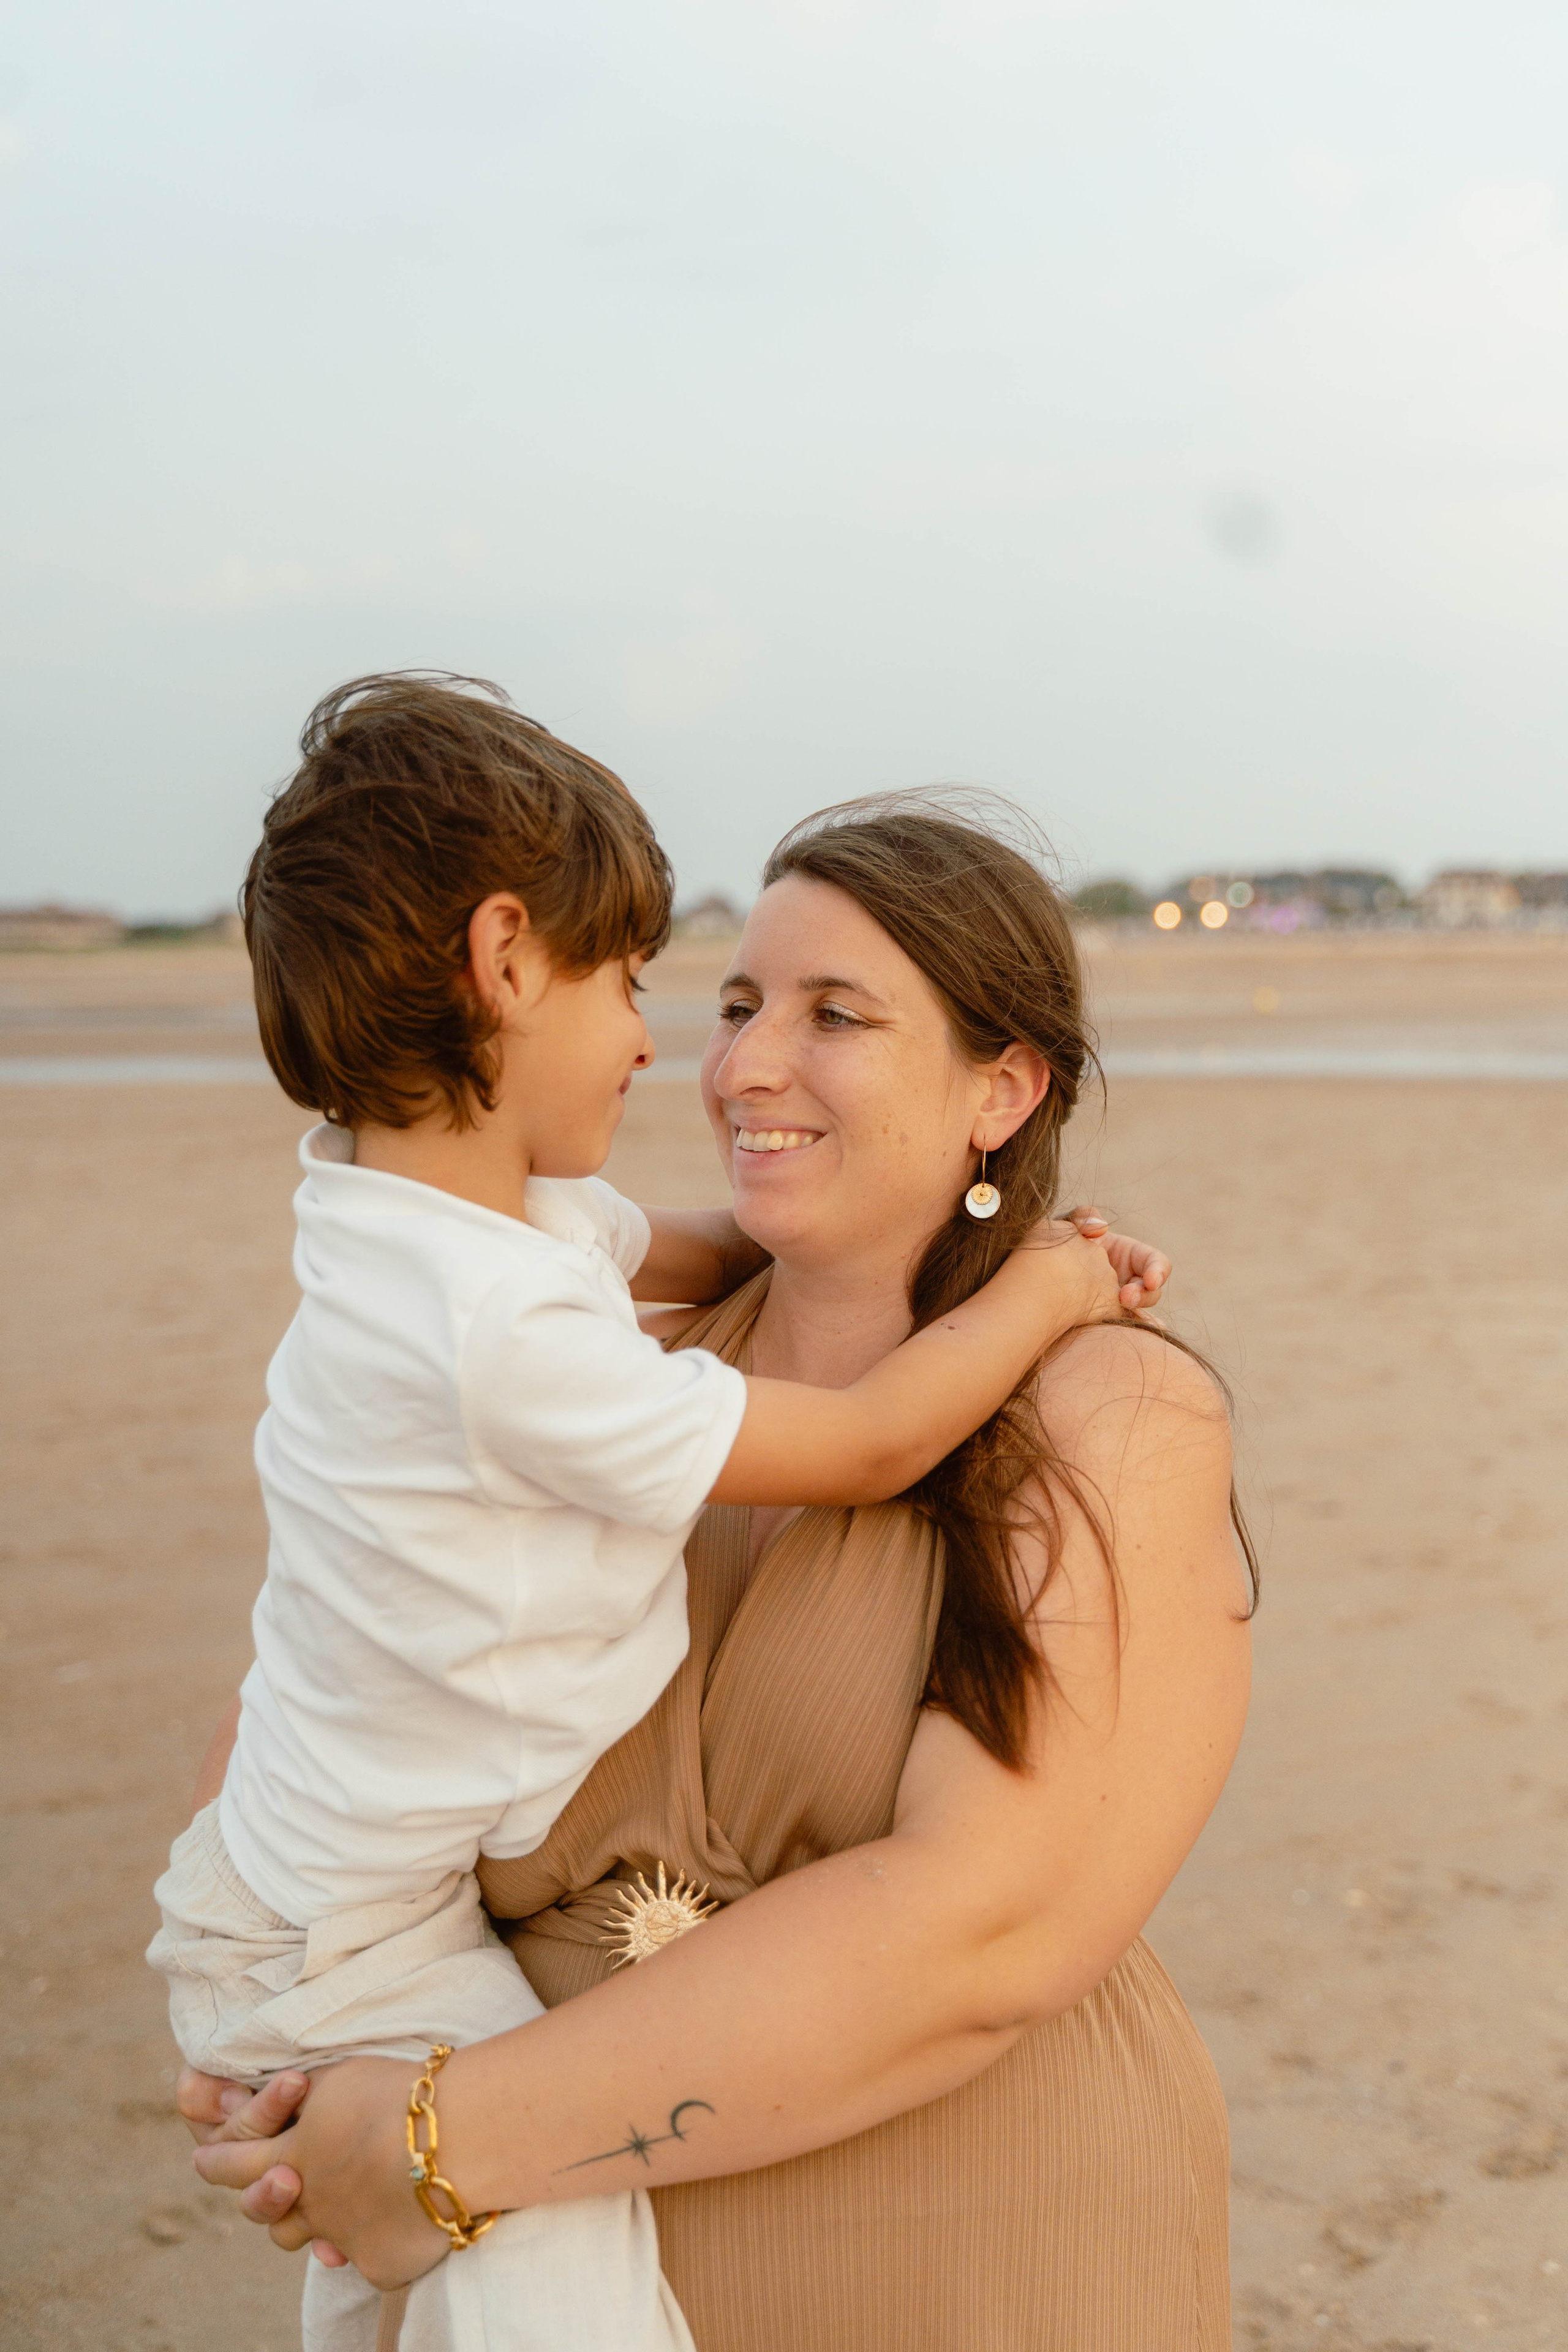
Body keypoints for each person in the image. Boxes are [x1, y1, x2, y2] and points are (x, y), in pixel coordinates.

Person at [188, 788, 1250, 2350]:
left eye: (835, 1016)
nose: (742, 1065)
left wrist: (432, 2145)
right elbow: (328, 1688)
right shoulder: (601, 1384)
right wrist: (266, 2034)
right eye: (736, 1003)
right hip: (544, 2260)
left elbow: (983, 1927)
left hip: (971, 2260)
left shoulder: (1110, 1410)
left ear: (999, 1092)